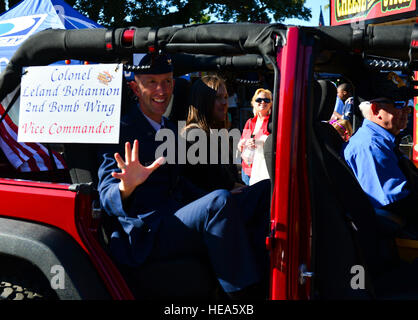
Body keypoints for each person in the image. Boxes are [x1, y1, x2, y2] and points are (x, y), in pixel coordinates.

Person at [97, 53, 270, 299]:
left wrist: (219, 195)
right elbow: (106, 197)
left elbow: (179, 184)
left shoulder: (168, 127)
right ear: (135, 88)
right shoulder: (119, 130)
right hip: (147, 230)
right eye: (152, 82)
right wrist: (126, 187)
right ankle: (243, 297)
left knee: (263, 191)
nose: (161, 90)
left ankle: (275, 279)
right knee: (218, 203)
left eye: (167, 81)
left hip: (175, 215)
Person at [343, 97, 418, 224]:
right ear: (376, 109)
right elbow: (395, 203)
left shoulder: (381, 140)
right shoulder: (370, 146)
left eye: (408, 107)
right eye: (399, 105)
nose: (407, 111)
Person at [182, 75, 243, 192]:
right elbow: (216, 184)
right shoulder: (194, 135)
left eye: (226, 97)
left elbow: (234, 181)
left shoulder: (219, 135)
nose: (225, 102)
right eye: (218, 97)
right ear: (203, 101)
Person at [237, 88, 272, 185]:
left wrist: (259, 142)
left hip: (261, 172)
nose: (263, 102)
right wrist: (244, 143)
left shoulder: (272, 123)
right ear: (253, 103)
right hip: (246, 170)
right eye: (259, 100)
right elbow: (240, 145)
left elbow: (274, 143)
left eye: (267, 100)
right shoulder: (249, 122)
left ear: (270, 104)